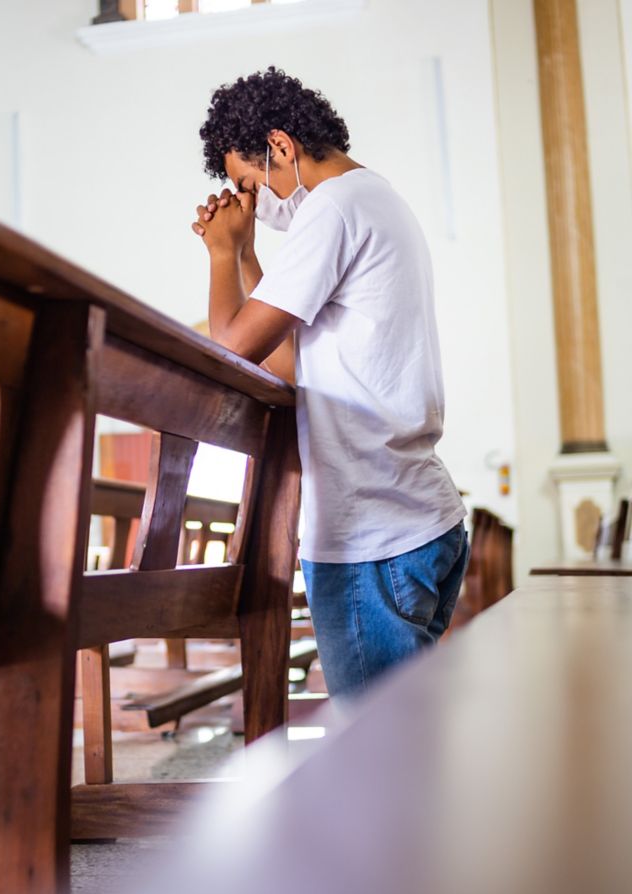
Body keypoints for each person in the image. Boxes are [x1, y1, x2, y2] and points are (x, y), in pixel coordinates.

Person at [192, 66, 468, 699]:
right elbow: (286, 359)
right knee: (408, 745)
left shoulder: (334, 208)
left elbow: (231, 349)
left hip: (372, 536)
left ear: (282, 147)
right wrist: (243, 254)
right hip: (413, 519)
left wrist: (219, 253)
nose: (251, 203)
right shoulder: (372, 198)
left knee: (377, 762)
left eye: (249, 182)